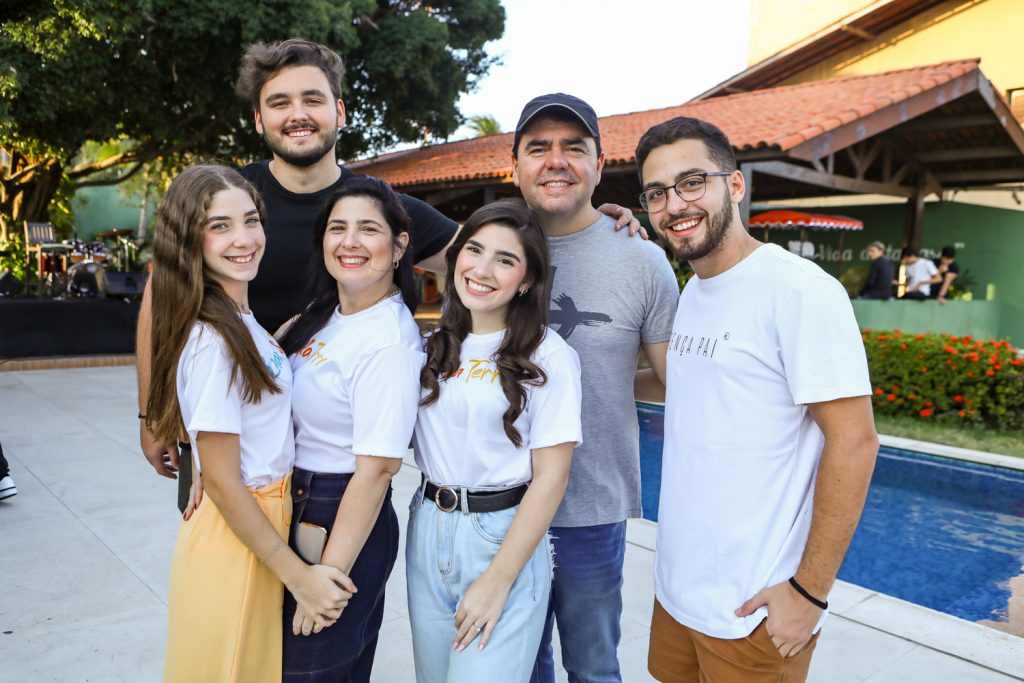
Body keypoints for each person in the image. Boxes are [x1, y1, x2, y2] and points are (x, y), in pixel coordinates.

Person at [136, 40, 640, 510]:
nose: (297, 115)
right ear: (258, 118)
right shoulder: (232, 200)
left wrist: (588, 222)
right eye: (279, 102)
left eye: (312, 99)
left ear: (339, 111)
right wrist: (152, 409)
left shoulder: (386, 208)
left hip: (326, 468)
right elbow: (163, 299)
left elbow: (492, 256)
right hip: (226, 445)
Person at [633, 116, 878, 683]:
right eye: (657, 193)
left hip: (754, 608)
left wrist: (809, 593)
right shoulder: (694, 290)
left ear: (735, 185)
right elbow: (688, 382)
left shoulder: (800, 291)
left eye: (693, 182)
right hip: (677, 590)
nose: (675, 204)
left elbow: (856, 442)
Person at [146, 164, 352, 682]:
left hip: (255, 526)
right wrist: (299, 578)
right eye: (219, 226)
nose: (244, 239)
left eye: (251, 220)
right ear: (188, 240)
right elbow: (219, 476)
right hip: (238, 540)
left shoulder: (242, 321)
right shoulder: (215, 340)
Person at [510, 94, 679, 683]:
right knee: (515, 668)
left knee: (592, 667)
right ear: (516, 169)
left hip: (592, 505)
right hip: (496, 504)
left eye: (573, 149)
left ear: (599, 166)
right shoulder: (488, 251)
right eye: (539, 149)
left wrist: (598, 377)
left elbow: (672, 379)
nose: (556, 161)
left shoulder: (642, 260)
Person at [408, 199, 583, 683]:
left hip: (500, 536)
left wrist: (499, 579)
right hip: (427, 527)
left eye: (505, 260)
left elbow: (552, 477)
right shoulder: (430, 345)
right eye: (474, 250)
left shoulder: (549, 355)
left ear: (526, 279)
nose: (482, 270)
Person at [276, 175, 425, 681]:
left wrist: (326, 577)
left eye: (368, 228)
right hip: (296, 500)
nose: (350, 241)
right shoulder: (324, 316)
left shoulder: (388, 341)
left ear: (399, 245)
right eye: (337, 228)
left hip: (336, 512)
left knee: (312, 667)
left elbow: (379, 469)